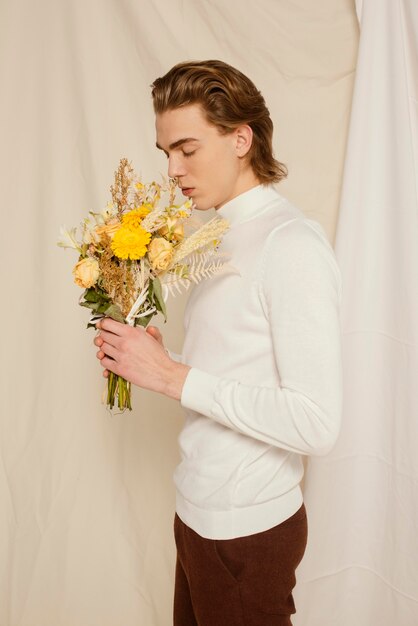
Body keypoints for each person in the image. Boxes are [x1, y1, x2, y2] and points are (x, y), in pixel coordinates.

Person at [94, 59, 343, 626]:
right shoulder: (222, 234)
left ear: (240, 138)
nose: (172, 171)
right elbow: (237, 374)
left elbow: (316, 422)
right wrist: (154, 360)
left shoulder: (291, 245)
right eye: (164, 153)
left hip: (246, 533)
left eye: (186, 148)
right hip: (198, 514)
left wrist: (170, 376)